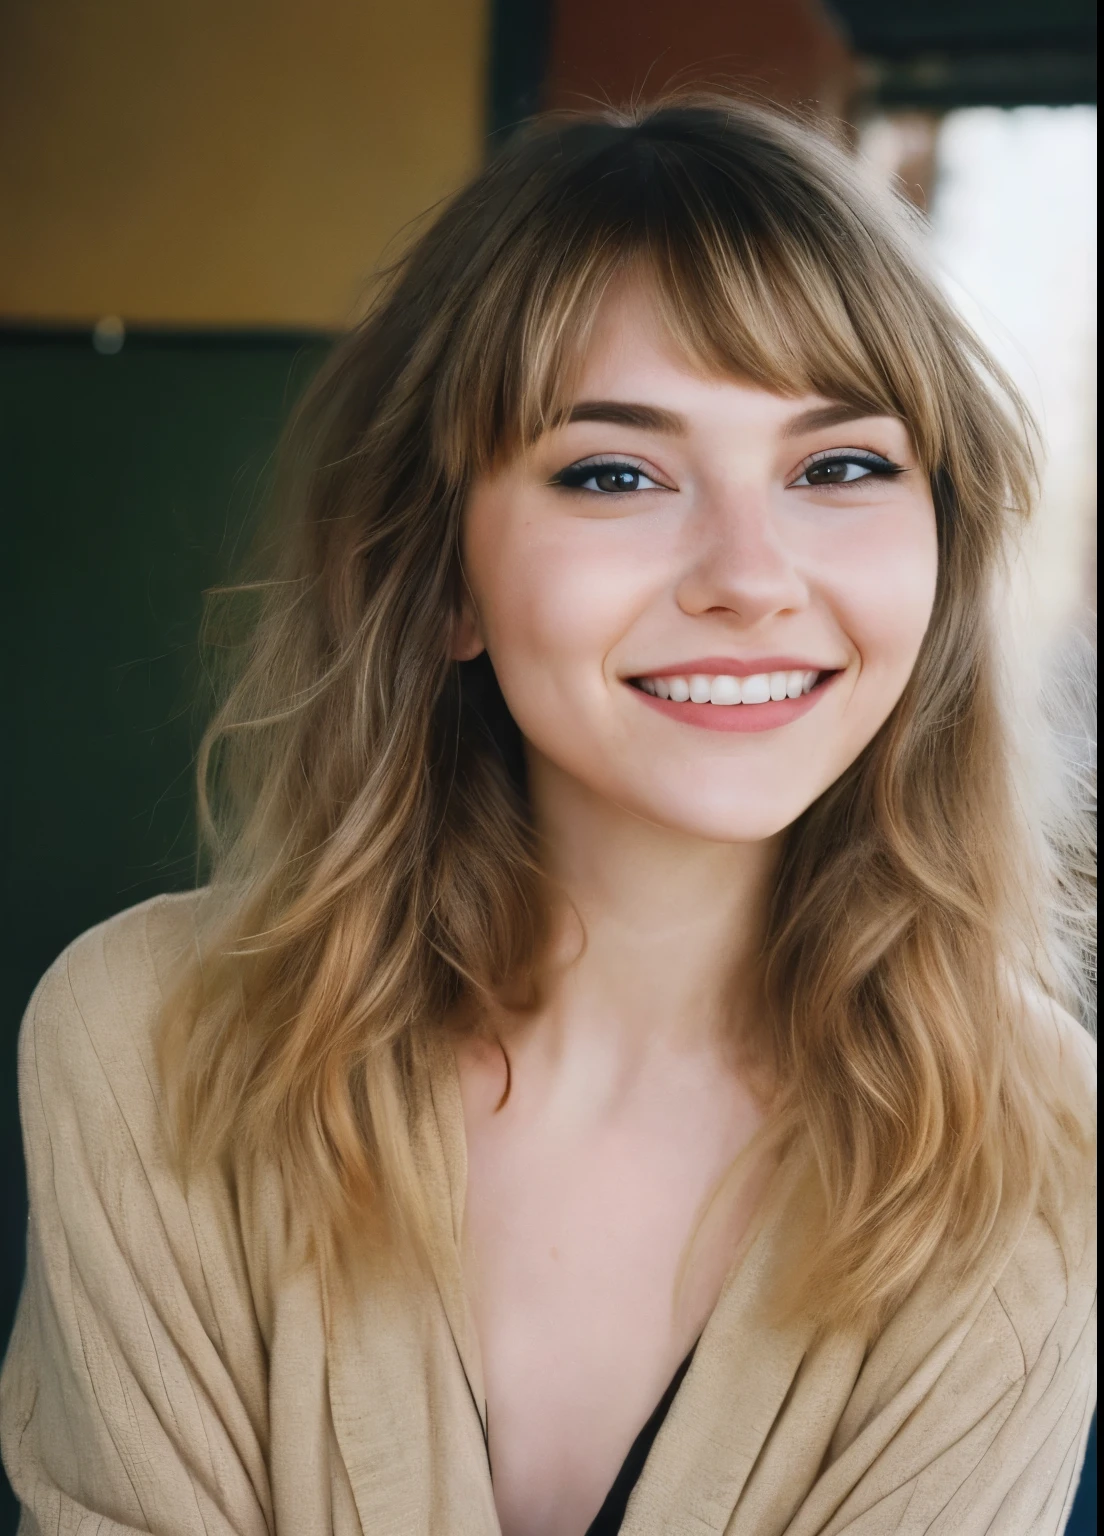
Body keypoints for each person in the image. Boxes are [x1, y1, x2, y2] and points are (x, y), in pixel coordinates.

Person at [0, 96, 1095, 1536]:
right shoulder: (145, 1044)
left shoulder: (1038, 1147)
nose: (751, 577)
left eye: (839, 467)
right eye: (615, 471)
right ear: (437, 575)